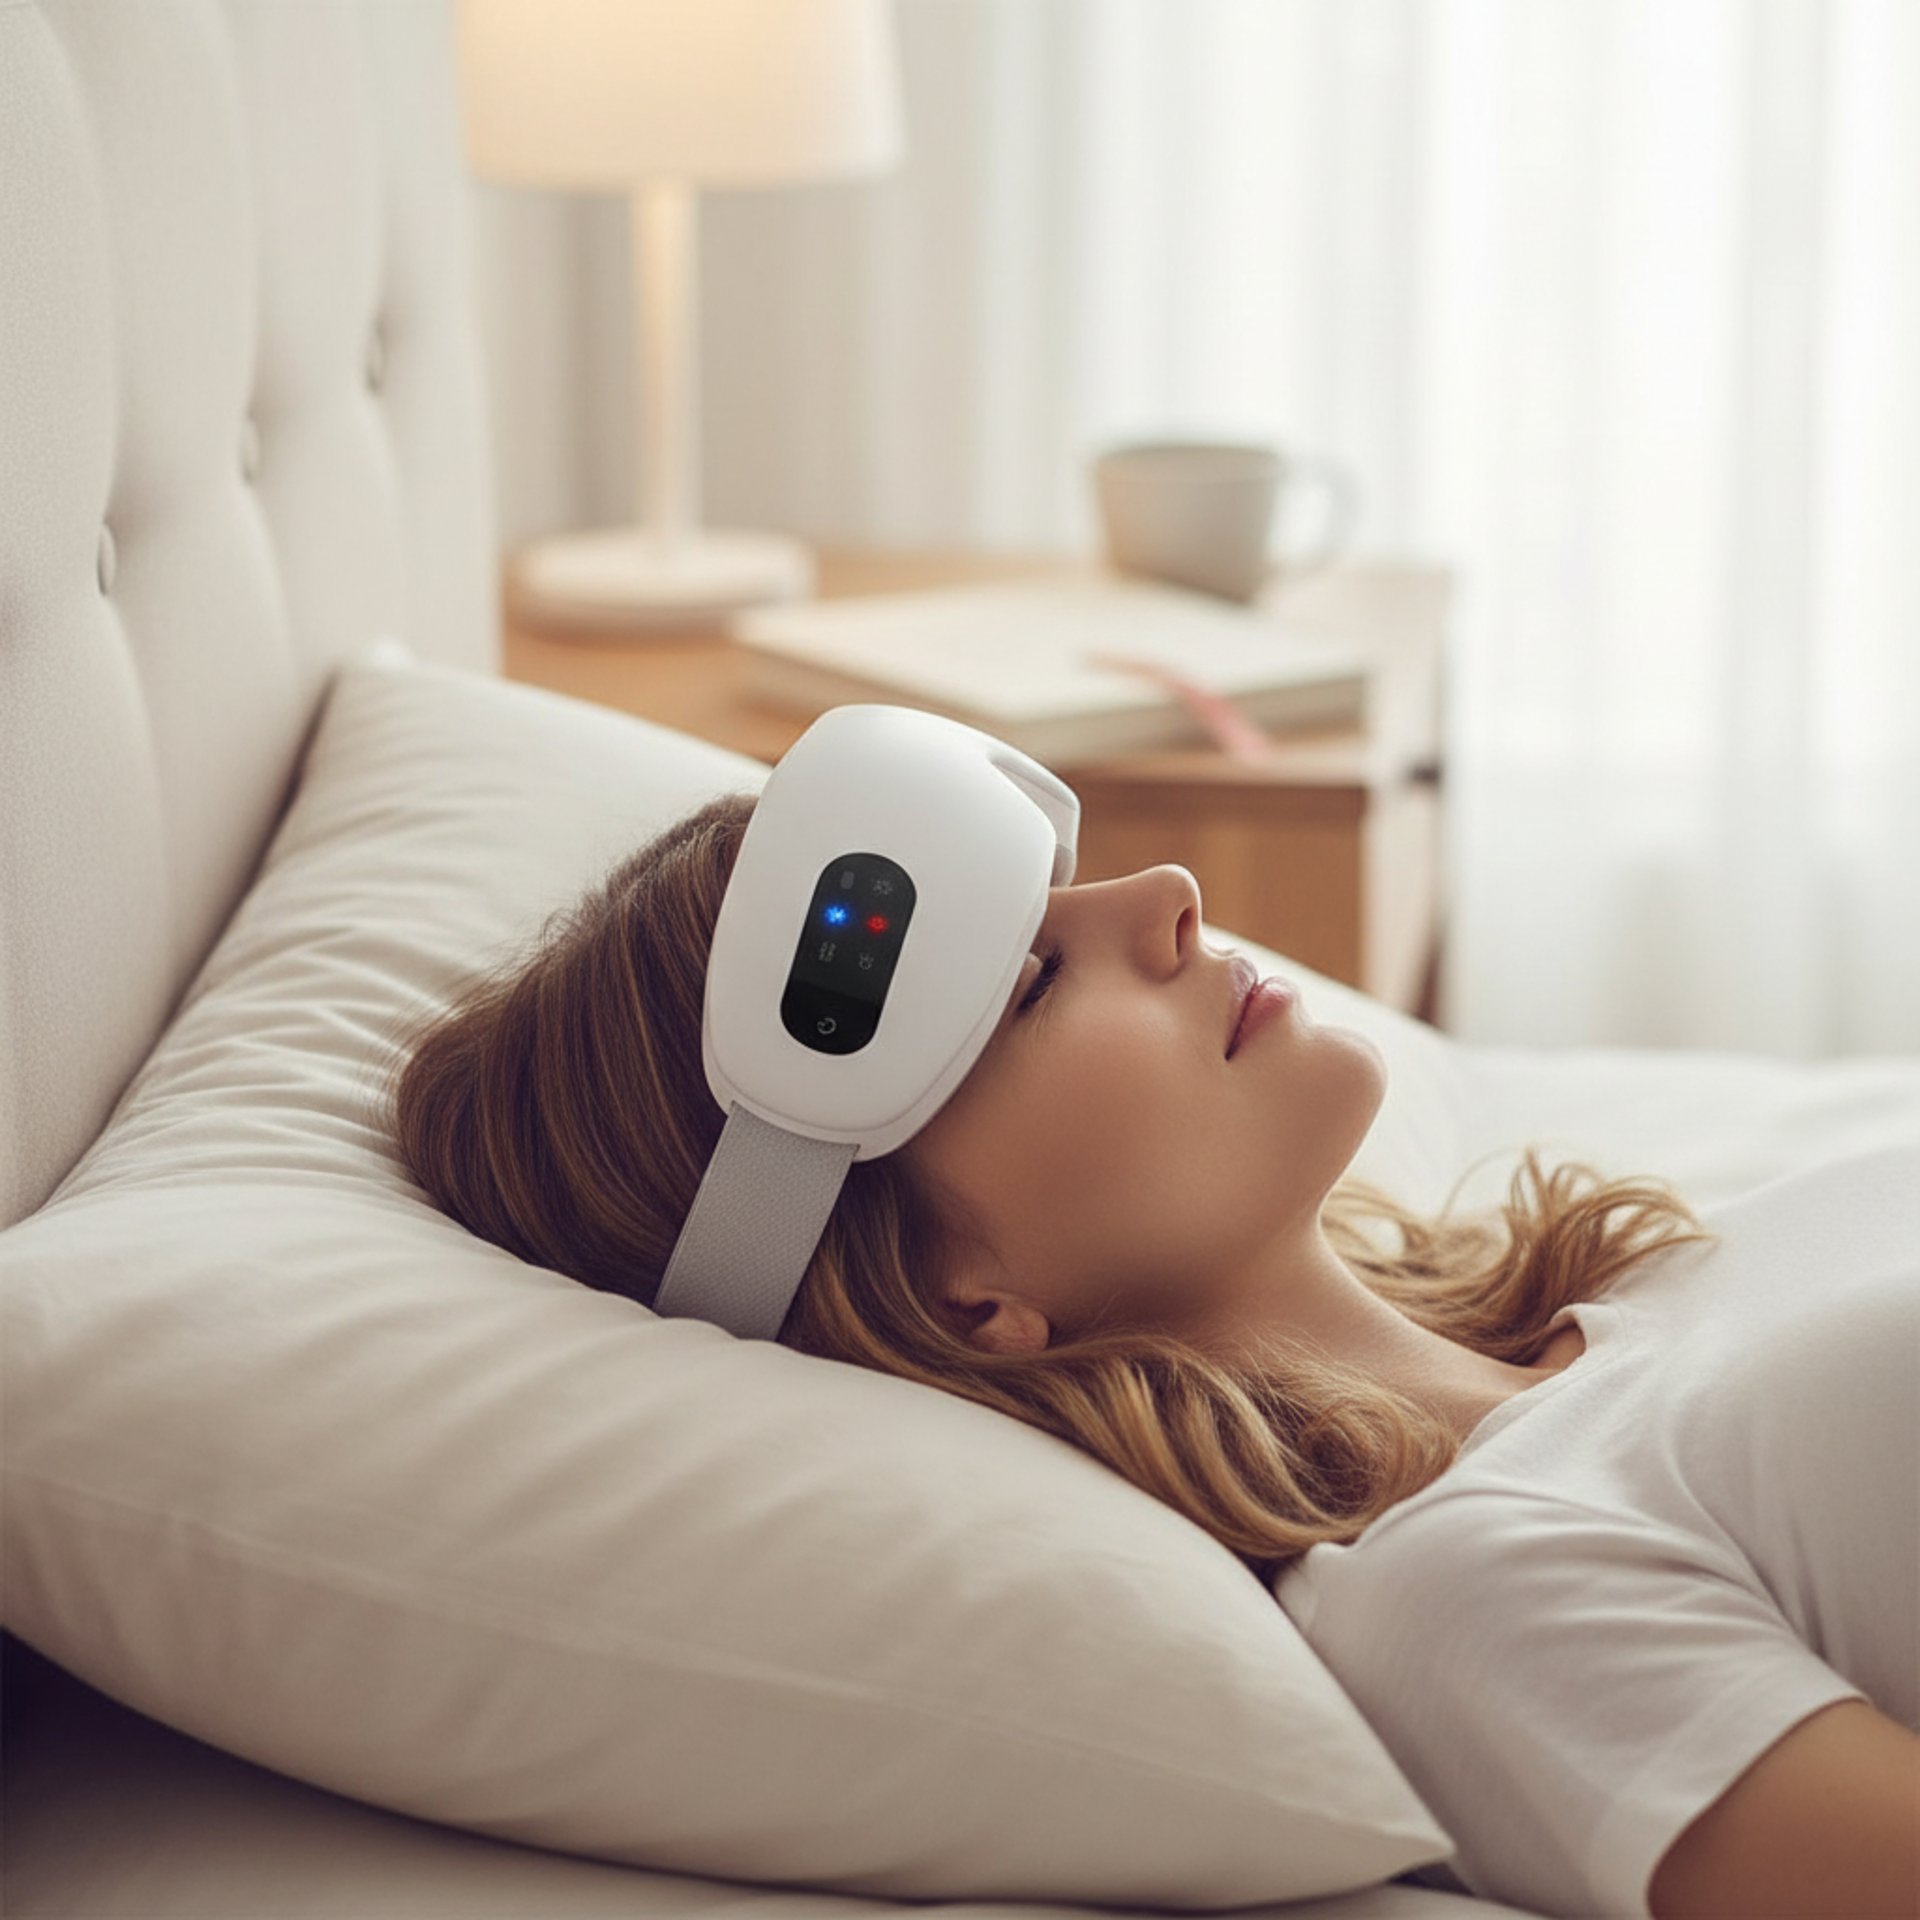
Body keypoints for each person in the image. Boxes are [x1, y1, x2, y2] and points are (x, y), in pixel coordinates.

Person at [387, 790, 1918, 1920]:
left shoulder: (1641, 1287)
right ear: (958, 1291)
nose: (1170, 892)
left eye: (1058, 898)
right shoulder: (1478, 1588)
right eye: (1032, 982)